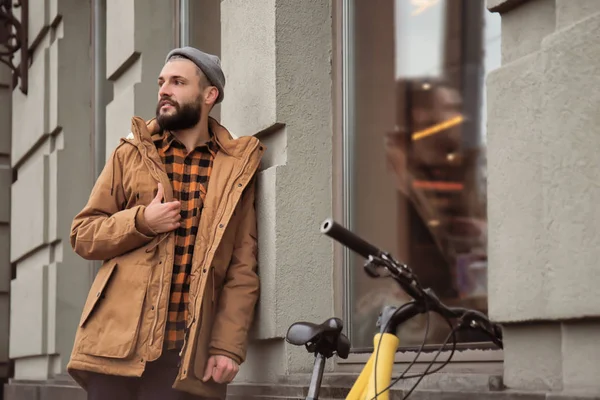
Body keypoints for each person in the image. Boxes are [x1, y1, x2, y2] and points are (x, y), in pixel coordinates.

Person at [66, 46, 265, 400]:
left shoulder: (235, 168)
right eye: (161, 82)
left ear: (209, 95)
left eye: (177, 82)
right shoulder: (131, 153)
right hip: (115, 346)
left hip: (183, 355)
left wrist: (227, 347)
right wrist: (142, 221)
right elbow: (83, 234)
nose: (164, 90)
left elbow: (241, 267)